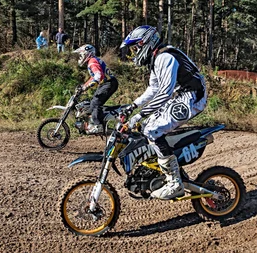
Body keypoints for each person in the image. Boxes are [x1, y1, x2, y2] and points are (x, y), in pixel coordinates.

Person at [120, 25, 207, 200]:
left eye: (135, 47)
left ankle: (174, 182)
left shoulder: (165, 57)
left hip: (192, 96)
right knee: (146, 127)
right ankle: (163, 166)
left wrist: (138, 115)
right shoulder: (156, 59)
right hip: (182, 95)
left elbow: (165, 93)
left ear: (146, 42)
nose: (134, 53)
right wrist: (132, 106)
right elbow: (153, 90)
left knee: (153, 130)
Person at [74, 44, 118, 134]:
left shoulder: (92, 61)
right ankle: (99, 120)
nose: (80, 57)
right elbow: (93, 77)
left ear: (87, 54)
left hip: (108, 83)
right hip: (107, 83)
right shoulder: (93, 61)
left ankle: (98, 125)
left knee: (95, 102)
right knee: (94, 102)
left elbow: (98, 75)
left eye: (81, 54)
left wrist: (88, 86)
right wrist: (84, 87)